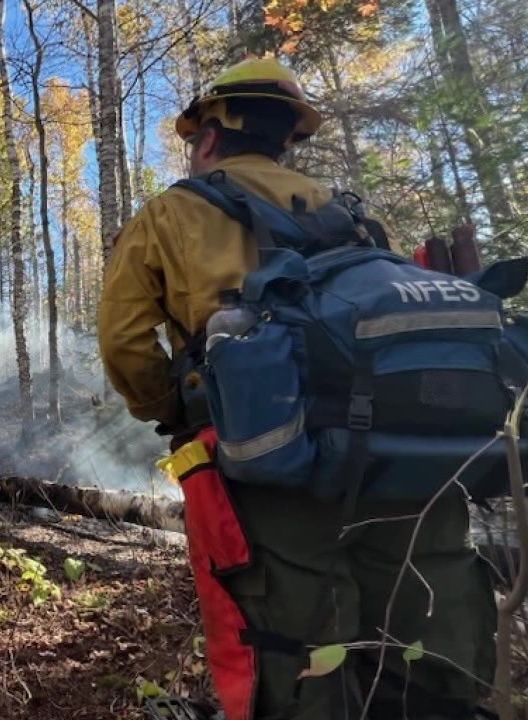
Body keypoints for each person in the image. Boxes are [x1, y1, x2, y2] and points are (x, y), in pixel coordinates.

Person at [98, 57, 497, 720]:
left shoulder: (171, 213)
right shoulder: (350, 219)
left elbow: (124, 344)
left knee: (292, 638)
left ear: (209, 137)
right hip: (400, 456)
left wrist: (171, 408)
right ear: (287, 137)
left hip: (264, 458)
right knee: (423, 624)